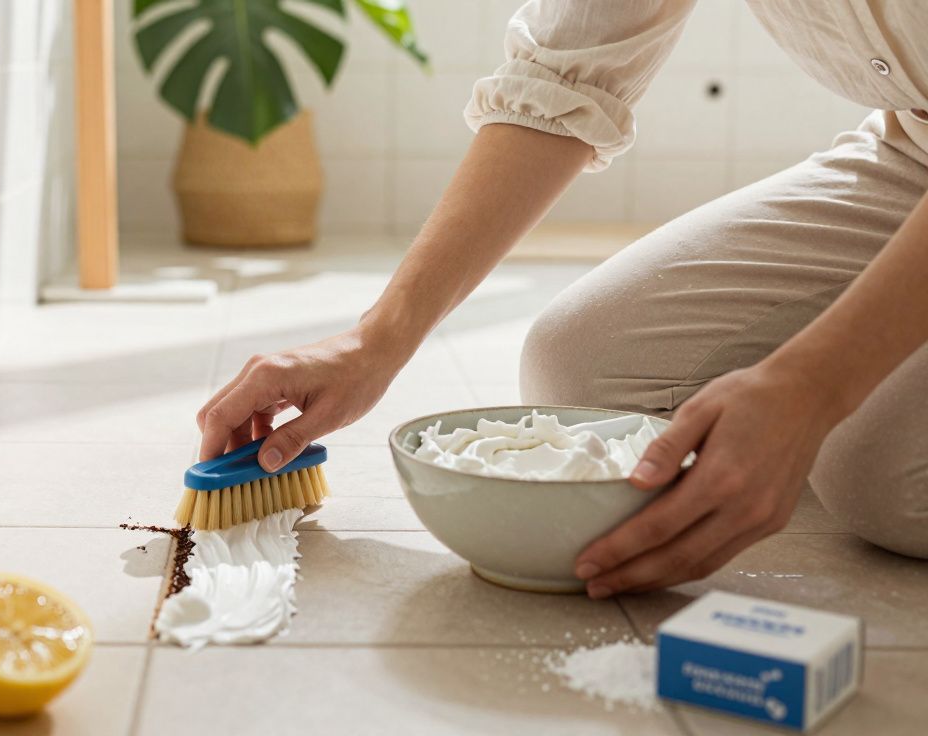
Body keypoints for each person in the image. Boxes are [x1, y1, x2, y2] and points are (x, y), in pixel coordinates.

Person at [195, 0, 928, 598]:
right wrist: (379, 337)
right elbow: (566, 75)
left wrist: (812, 385)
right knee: (580, 367)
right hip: (912, 152)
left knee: (874, 476)